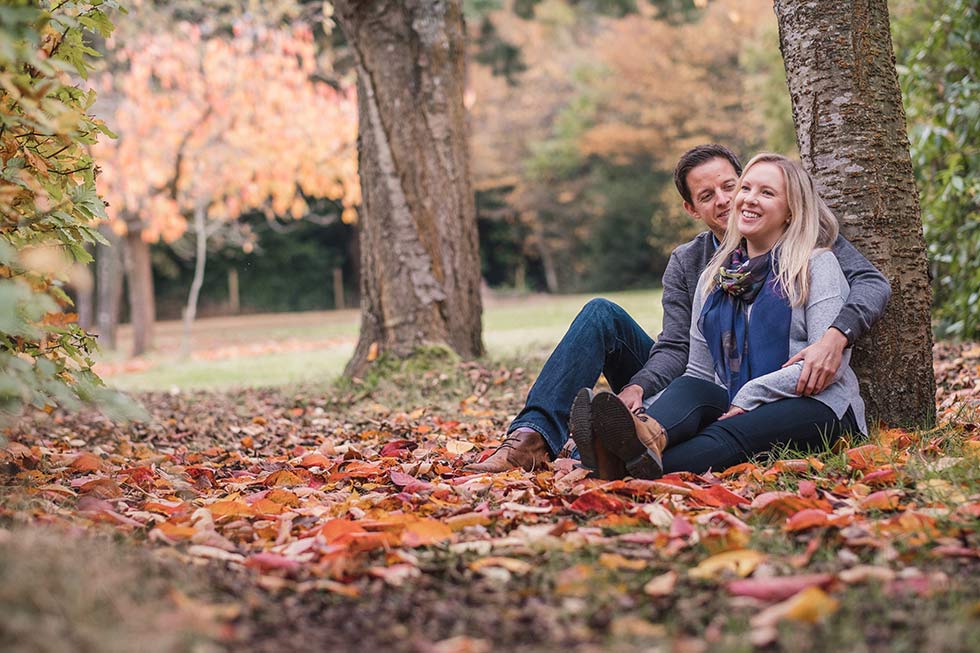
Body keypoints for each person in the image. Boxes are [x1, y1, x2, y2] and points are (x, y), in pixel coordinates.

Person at [463, 144, 890, 474]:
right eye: (709, 195)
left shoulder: (813, 250)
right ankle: (537, 437)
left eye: (733, 185)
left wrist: (838, 334)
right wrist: (639, 387)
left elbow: (871, 282)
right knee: (601, 316)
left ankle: (619, 453)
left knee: (717, 419)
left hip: (779, 391)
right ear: (692, 208)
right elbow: (681, 351)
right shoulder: (699, 266)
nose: (728, 200)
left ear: (789, 204)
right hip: (703, 380)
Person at [577, 153, 867, 479]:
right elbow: (699, 373)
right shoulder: (713, 277)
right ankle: (645, 436)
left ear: (791, 211)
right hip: (733, 400)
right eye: (746, 188)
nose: (747, 200)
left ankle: (612, 468)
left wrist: (749, 395)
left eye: (767, 193)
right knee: (693, 391)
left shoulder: (816, 264)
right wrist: (652, 400)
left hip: (815, 405)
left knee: (722, 435)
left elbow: (824, 368)